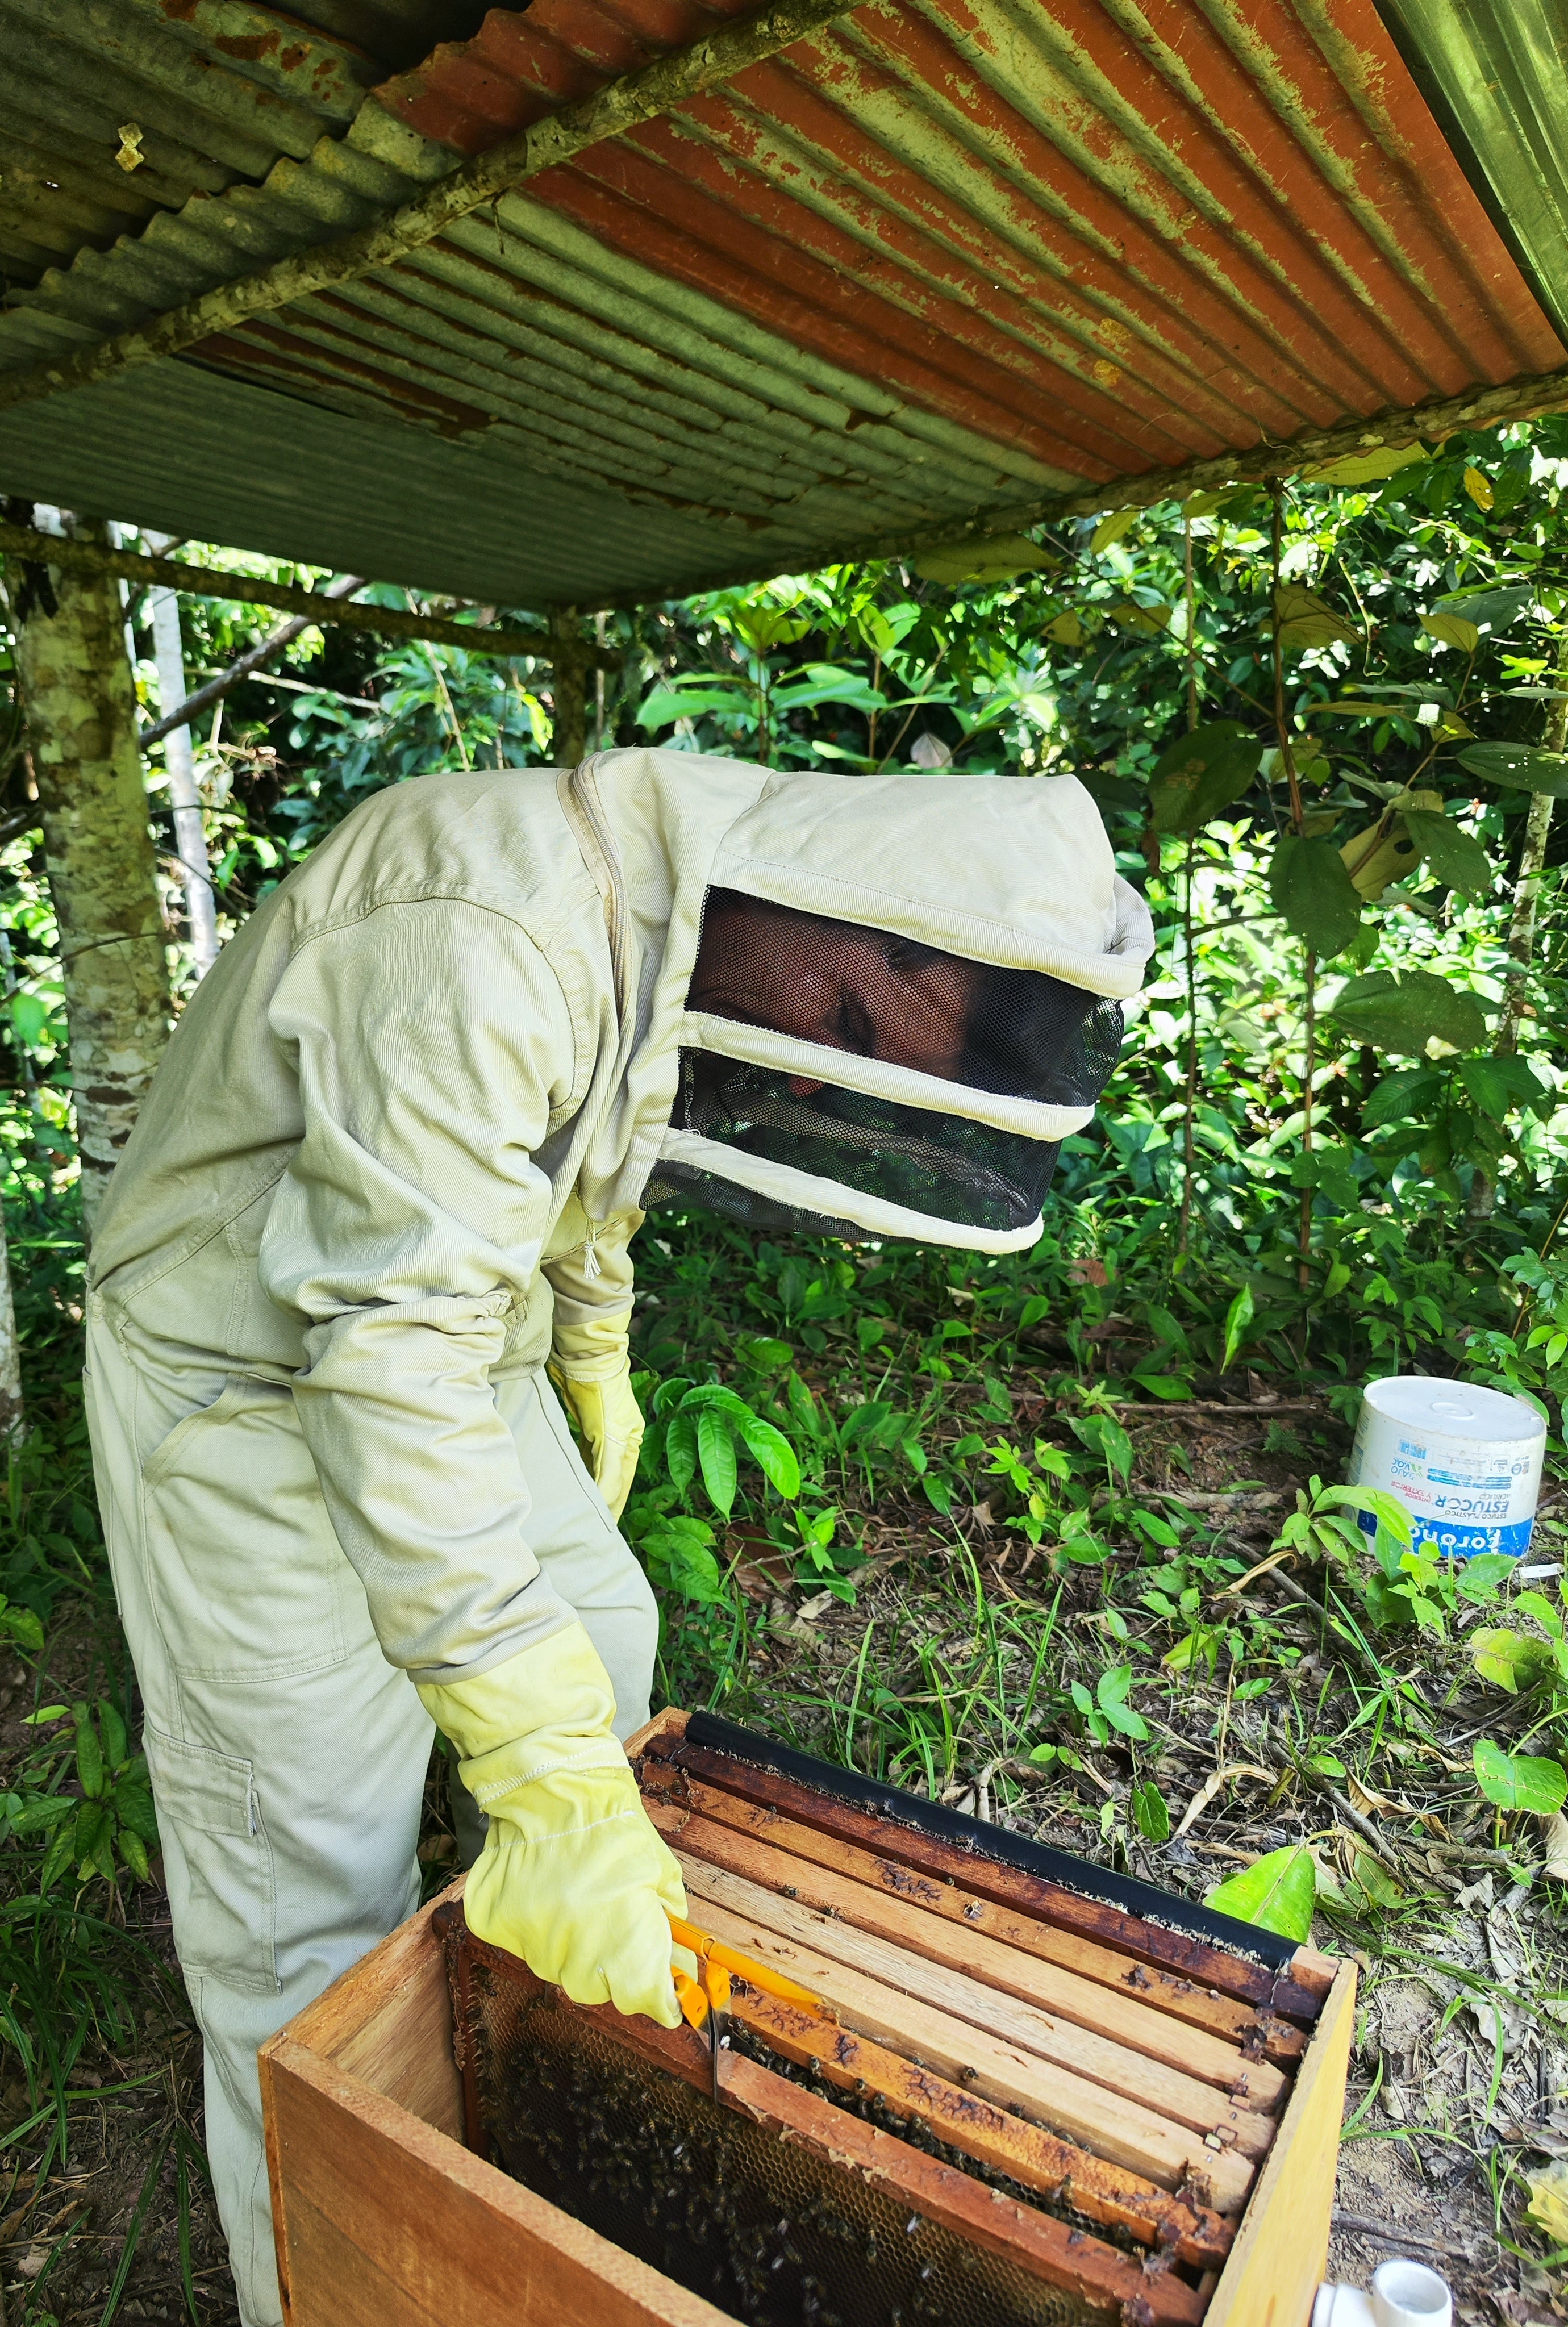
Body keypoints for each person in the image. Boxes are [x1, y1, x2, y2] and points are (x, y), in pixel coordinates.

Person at [84, 745, 1152, 2324]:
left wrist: (590, 1342)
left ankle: (508, 2035)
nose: (805, 1075)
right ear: (825, 894)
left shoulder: (659, 931)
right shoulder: (481, 925)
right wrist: (538, 1778)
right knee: (303, 1905)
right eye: (848, 1022)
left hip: (457, 1335)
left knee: (601, 1647)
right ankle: (317, 2264)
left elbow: (591, 1166)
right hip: (249, 1374)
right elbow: (380, 1356)